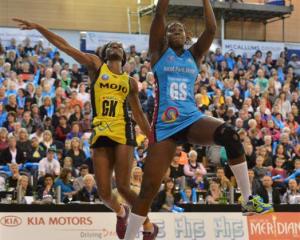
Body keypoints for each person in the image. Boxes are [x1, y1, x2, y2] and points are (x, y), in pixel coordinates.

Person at [125, 1, 273, 238]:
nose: (175, 30)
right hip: (164, 126)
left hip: (191, 118)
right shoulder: (158, 53)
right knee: (148, 190)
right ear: (164, 35)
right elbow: (160, 14)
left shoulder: (194, 55)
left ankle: (247, 201)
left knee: (230, 135)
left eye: (180, 29)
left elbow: (212, 30)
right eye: (171, 29)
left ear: (186, 37)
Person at [13, 18, 155, 239]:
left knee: (125, 187)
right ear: (106, 53)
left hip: (123, 130)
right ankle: (121, 211)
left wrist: (152, 139)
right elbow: (65, 46)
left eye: (119, 45)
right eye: (111, 45)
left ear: (125, 57)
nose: (115, 45)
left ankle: (148, 226)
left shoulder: (130, 82)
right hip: (100, 132)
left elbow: (138, 114)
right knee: (105, 194)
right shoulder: (97, 65)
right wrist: (39, 28)